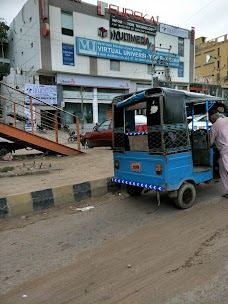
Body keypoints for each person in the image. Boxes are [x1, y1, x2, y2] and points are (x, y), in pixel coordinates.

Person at [209, 110, 228, 198]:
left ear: (212, 118)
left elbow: (211, 142)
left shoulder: (214, 126)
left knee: (224, 171)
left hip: (225, 150)